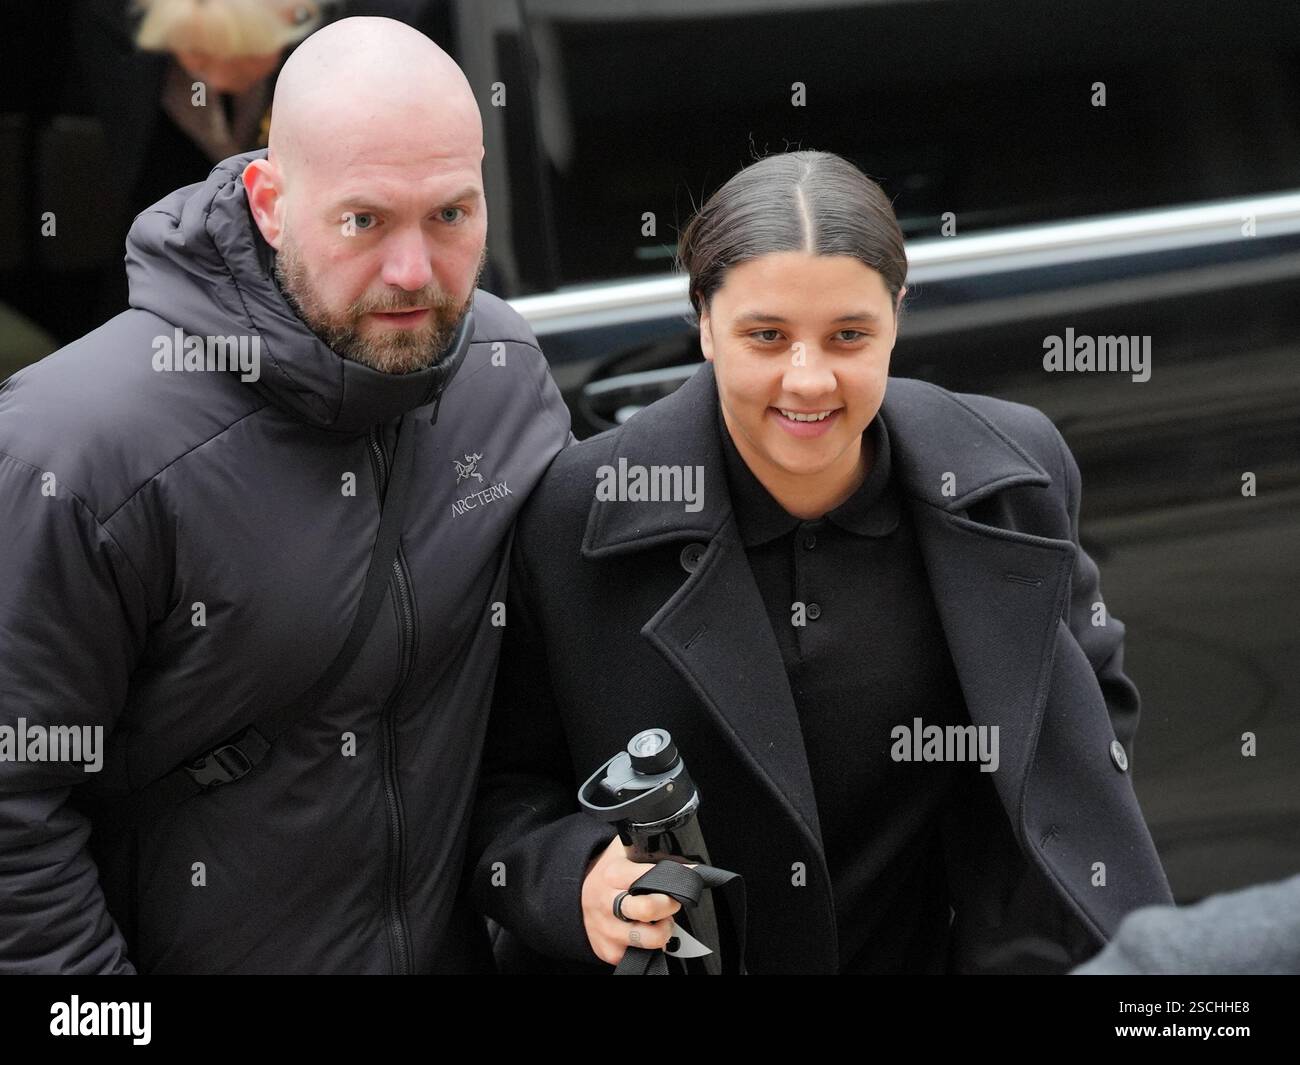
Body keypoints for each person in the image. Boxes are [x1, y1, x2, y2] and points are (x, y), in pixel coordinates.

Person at [468, 150, 1175, 974]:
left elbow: (1088, 727)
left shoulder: (1013, 471)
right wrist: (581, 881)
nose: (808, 380)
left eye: (849, 335)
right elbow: (495, 789)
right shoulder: (573, 513)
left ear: (897, 314)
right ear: (703, 318)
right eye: (766, 336)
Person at [0, 16, 571, 973]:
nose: (413, 272)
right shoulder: (76, 446)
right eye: (364, 220)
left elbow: (554, 714)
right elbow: (14, 820)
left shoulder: (505, 380)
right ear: (268, 201)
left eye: (452, 215)